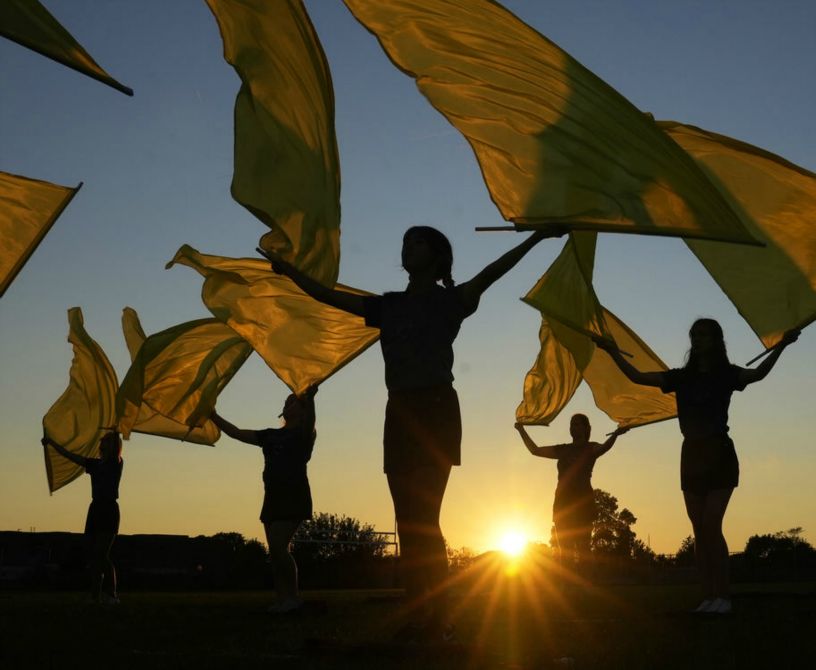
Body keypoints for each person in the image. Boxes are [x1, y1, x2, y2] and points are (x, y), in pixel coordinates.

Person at [259, 226, 561, 640]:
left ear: (438, 256)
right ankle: (421, 612)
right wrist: (289, 271)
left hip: (435, 409)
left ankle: (438, 615)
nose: (407, 246)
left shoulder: (452, 300)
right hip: (398, 410)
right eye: (404, 241)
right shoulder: (389, 305)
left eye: (417, 241)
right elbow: (328, 295)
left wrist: (538, 237)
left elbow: (494, 271)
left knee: (425, 520)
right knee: (407, 521)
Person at [594, 318, 799, 615]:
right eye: (694, 335)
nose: (697, 339)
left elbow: (759, 374)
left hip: (719, 452)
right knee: (699, 530)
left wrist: (782, 345)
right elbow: (636, 376)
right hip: (691, 455)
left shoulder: (727, 374)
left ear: (716, 340)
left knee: (711, 524)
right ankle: (707, 597)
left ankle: (723, 596)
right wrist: (612, 351)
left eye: (703, 335)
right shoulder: (680, 377)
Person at [211, 386, 318, 613]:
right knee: (276, 552)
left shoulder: (304, 435)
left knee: (279, 548)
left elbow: (310, 420)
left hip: (294, 496)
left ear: (303, 411)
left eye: (293, 402)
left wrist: (310, 399)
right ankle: (282, 600)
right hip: (272, 498)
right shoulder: (270, 435)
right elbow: (236, 432)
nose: (288, 404)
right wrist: (213, 415)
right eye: (287, 401)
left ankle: (293, 598)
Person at [515, 416, 629, 577]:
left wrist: (616, 434)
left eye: (577, 424)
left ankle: (586, 587)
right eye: (571, 425)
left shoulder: (591, 447)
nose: (573, 427)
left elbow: (604, 448)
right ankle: (566, 588)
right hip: (562, 505)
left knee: (584, 549)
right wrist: (521, 430)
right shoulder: (562, 449)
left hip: (583, 504)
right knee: (565, 550)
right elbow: (535, 450)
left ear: (586, 428)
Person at [42, 431, 123, 604]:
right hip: (95, 509)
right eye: (104, 441)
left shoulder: (116, 463)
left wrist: (116, 430)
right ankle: (95, 596)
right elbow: (71, 456)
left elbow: (115, 446)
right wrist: (51, 443)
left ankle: (112, 594)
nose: (104, 444)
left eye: (108, 441)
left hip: (109, 509)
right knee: (94, 556)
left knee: (102, 554)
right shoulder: (95, 464)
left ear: (114, 445)